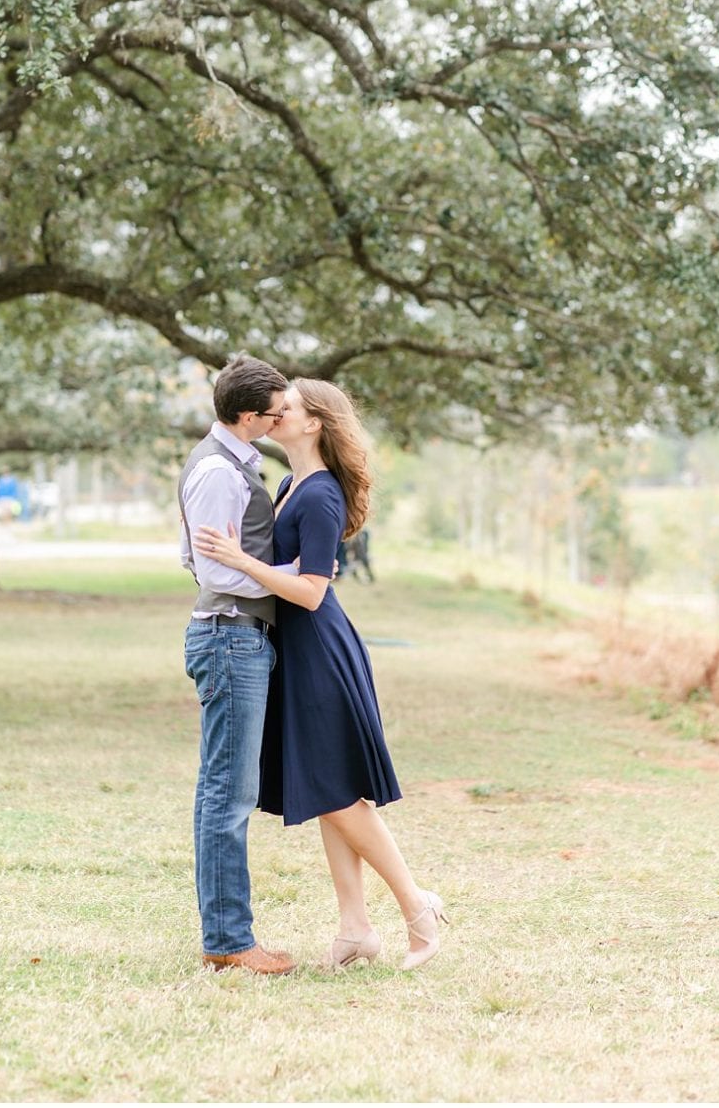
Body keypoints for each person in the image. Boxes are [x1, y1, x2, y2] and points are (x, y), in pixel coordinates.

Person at [195, 378, 446, 971]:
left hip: (319, 648)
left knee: (338, 794)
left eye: (289, 409)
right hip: (295, 650)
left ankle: (417, 908)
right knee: (331, 790)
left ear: (314, 424)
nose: (276, 414)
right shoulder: (290, 485)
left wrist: (240, 561)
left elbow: (310, 592)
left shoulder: (322, 495)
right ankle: (356, 929)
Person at [178, 355, 298, 975]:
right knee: (229, 795)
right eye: (275, 413)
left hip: (233, 634)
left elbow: (194, 556)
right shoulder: (220, 473)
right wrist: (284, 578)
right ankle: (229, 942)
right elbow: (213, 566)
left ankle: (223, 935)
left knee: (221, 791)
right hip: (230, 637)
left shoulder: (227, 464)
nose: (282, 421)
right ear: (247, 416)